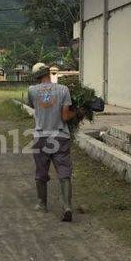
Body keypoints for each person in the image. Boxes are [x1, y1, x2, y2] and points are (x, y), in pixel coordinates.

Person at [27, 63, 79, 222]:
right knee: (64, 171)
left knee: (41, 171)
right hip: (60, 137)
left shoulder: (32, 90)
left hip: (41, 137)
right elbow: (65, 117)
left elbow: (33, 106)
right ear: (48, 72)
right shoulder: (63, 90)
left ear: (36, 76)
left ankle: (42, 204)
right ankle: (67, 206)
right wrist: (77, 112)